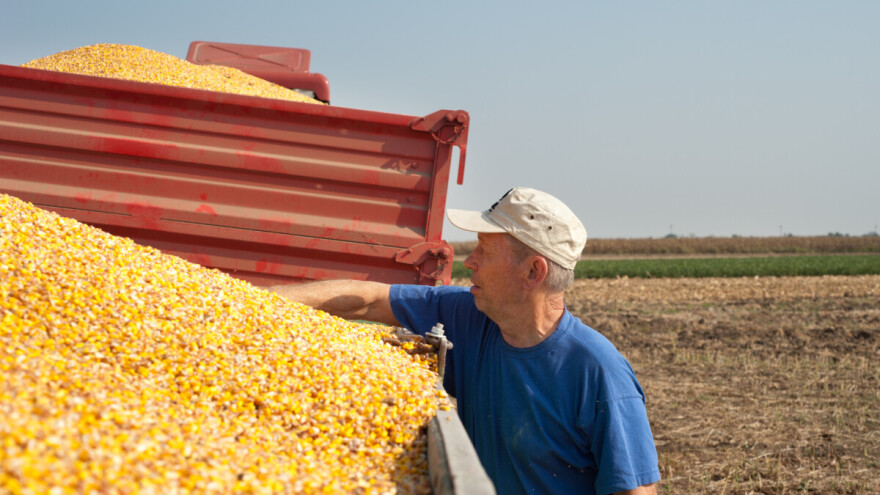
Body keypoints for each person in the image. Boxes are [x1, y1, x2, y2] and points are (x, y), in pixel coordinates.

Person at [270, 187, 660, 495]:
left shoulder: (597, 372)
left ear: (533, 272)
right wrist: (241, 300)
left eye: (484, 251)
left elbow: (636, 490)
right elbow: (368, 300)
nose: (469, 261)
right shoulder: (472, 319)